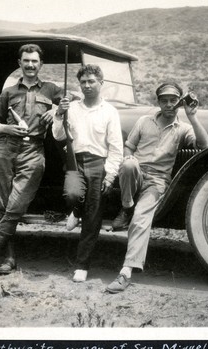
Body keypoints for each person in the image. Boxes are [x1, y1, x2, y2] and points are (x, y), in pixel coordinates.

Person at [106, 82, 208, 293]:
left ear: (180, 102)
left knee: (140, 219)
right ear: (159, 102)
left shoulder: (183, 128)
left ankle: (126, 271)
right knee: (128, 164)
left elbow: (204, 146)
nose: (169, 104)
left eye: (173, 100)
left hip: (157, 181)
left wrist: (192, 116)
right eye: (164, 100)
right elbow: (129, 146)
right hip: (134, 173)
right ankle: (126, 207)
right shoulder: (144, 121)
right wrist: (128, 155)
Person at [0, 44, 64, 278]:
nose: (31, 65)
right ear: (20, 63)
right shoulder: (8, 92)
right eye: (26, 61)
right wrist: (6, 128)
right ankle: (10, 258)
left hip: (33, 152)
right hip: (5, 149)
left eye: (35, 61)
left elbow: (71, 103)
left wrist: (56, 111)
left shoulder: (52, 89)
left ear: (41, 64)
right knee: (3, 206)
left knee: (15, 205)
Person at [52, 64, 123, 283]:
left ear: (101, 83)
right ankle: (75, 210)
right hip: (76, 161)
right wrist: (59, 114)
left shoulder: (110, 111)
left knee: (94, 215)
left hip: (99, 164)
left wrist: (110, 174)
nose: (87, 85)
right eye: (83, 82)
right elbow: (57, 136)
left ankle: (82, 264)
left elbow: (116, 147)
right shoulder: (71, 108)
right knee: (72, 194)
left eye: (92, 81)